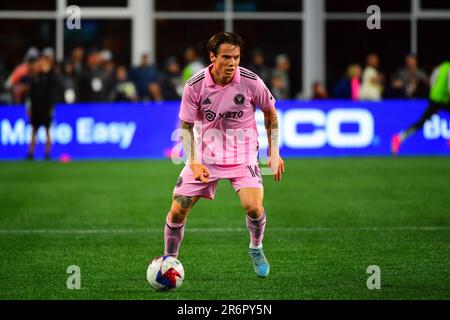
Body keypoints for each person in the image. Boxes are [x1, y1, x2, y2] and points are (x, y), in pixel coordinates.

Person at [162, 32, 285, 278]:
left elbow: (270, 113)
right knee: (178, 210)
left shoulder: (251, 81)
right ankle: (169, 260)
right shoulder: (194, 85)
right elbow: (185, 126)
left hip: (243, 154)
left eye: (236, 57)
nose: (232, 63)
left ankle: (256, 247)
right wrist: (193, 162)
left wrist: (274, 152)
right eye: (226, 57)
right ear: (212, 57)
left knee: (253, 206)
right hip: (206, 155)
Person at [391, 59, 450, 156]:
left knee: (421, 122)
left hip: (434, 99)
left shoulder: (440, 67)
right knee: (421, 121)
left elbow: (432, 81)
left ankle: (399, 138)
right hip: (444, 100)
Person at [26, 54, 58, 160]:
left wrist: (48, 71)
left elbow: (54, 83)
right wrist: (29, 107)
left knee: (48, 131)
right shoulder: (34, 77)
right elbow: (30, 94)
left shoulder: (50, 77)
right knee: (33, 131)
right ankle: (30, 153)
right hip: (36, 108)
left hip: (46, 108)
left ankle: (47, 153)